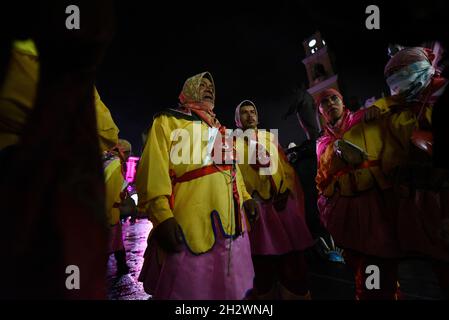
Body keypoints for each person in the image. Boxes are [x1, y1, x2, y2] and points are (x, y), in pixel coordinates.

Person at [136, 72, 257, 300]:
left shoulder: (220, 128)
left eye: (211, 85)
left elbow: (232, 170)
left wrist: (246, 197)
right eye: (201, 84)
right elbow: (153, 172)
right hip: (189, 223)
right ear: (188, 88)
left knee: (231, 292)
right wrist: (162, 217)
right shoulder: (167, 121)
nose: (209, 88)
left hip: (231, 225)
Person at [373, 46, 449, 297]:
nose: (398, 87)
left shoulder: (441, 90)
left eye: (404, 76)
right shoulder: (403, 106)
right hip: (426, 201)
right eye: (393, 82)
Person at [315, 88, 403, 299]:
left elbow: (400, 103)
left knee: (378, 259)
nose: (330, 103)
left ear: (342, 102)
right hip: (346, 209)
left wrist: (378, 107)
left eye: (334, 98)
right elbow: (321, 179)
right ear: (321, 112)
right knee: (360, 261)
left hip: (373, 201)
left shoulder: (364, 117)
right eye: (324, 102)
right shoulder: (321, 143)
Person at [235, 100, 314, 299]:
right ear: (238, 119)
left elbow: (285, 168)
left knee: (293, 262)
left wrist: (286, 191)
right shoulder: (231, 143)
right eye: (244, 112)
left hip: (282, 206)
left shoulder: (269, 137)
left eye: (253, 111)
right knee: (262, 265)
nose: (250, 115)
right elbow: (232, 177)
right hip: (257, 210)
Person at [103, 139, 135, 275]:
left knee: (116, 243)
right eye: (128, 154)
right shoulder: (116, 165)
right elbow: (110, 190)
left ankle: (122, 267)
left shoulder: (107, 159)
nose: (128, 158)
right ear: (124, 152)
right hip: (109, 213)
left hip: (111, 212)